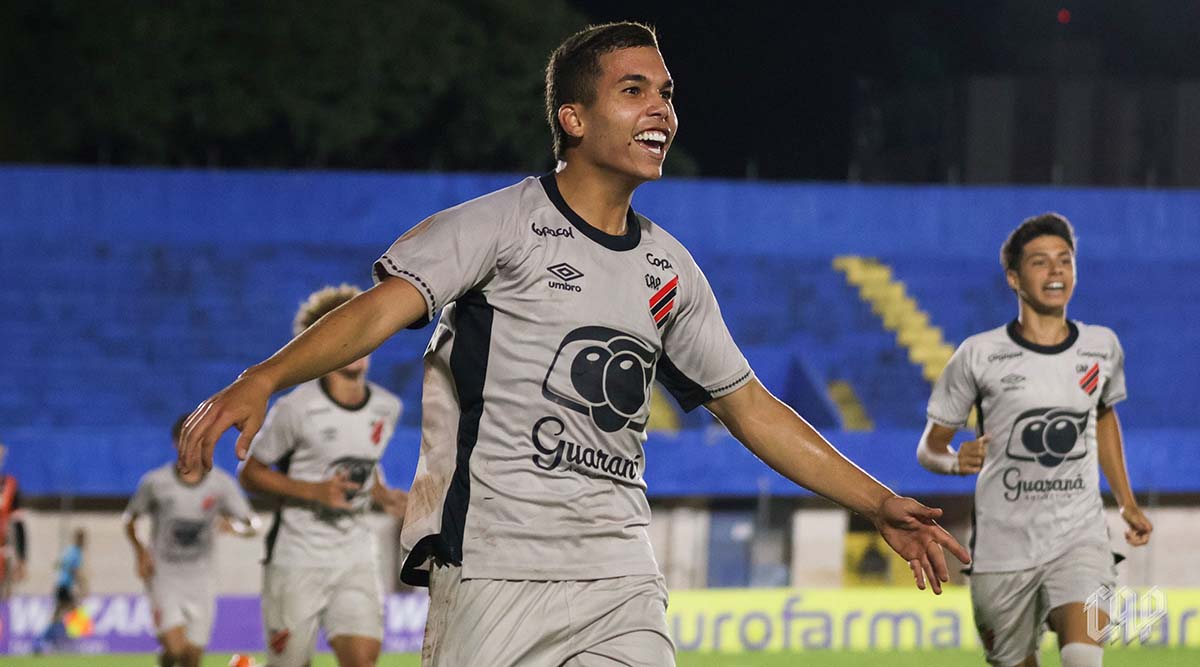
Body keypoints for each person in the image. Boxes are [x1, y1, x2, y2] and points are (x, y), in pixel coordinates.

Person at [179, 22, 969, 667]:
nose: (661, 109)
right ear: (574, 119)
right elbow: (378, 312)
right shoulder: (498, 226)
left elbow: (750, 406)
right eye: (634, 90)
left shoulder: (669, 269)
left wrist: (878, 500)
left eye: (666, 93)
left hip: (619, 571)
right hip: (494, 569)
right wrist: (264, 378)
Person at [916, 213, 1153, 667]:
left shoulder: (1102, 346)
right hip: (1002, 549)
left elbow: (1103, 417)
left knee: (1083, 658)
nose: (1056, 270)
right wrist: (954, 460)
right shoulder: (978, 354)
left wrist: (1126, 502)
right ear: (1014, 278)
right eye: (1040, 262)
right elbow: (929, 447)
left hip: (1080, 537)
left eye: (1065, 260)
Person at [238, 284, 406, 667]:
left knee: (363, 660)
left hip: (355, 553)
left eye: (365, 331)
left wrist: (382, 494)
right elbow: (250, 474)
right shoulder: (296, 408)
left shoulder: (387, 407)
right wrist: (314, 492)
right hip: (298, 556)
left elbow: (365, 462)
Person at [124, 414, 261, 667]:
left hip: (201, 578)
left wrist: (235, 528)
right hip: (164, 574)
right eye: (188, 440)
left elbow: (252, 523)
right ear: (177, 443)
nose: (194, 447)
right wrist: (140, 552)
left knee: (192, 657)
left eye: (201, 439)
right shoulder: (156, 483)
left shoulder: (221, 484)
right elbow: (130, 519)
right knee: (175, 648)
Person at [35, 527, 88, 653]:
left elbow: (57, 564)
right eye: (82, 538)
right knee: (74, 609)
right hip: (64, 587)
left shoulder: (68, 551)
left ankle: (42, 641)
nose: (84, 541)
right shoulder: (76, 552)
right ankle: (68, 641)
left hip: (60, 586)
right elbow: (74, 570)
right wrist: (82, 585)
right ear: (79, 539)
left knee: (58, 615)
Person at [0, 442, 29, 600]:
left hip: (4, 552)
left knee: (5, 597)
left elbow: (19, 525)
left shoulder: (10, 485)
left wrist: (22, 558)